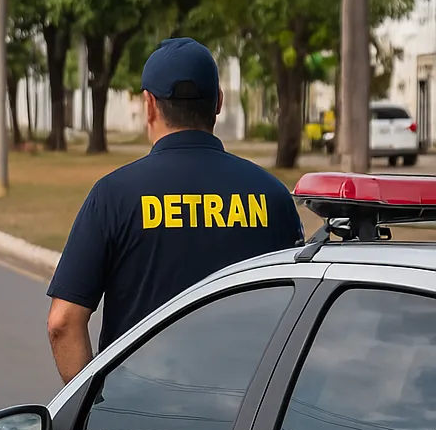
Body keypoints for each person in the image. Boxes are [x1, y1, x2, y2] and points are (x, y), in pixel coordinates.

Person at [46, 37, 302, 383]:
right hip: (250, 421)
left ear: (149, 105)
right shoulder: (272, 195)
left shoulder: (114, 195)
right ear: (219, 103)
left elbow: (63, 323)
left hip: (140, 422)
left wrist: (92, 411)